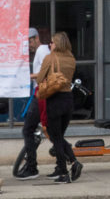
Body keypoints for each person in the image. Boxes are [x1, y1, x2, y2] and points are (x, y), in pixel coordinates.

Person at [33, 31, 81, 184]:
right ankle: (61, 168)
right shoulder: (71, 58)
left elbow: (40, 78)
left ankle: (68, 168)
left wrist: (41, 76)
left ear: (57, 44)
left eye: (52, 42)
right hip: (68, 98)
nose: (50, 45)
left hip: (55, 99)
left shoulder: (50, 57)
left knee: (56, 137)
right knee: (59, 136)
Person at [15, 27, 51, 179]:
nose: (28, 45)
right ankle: (67, 160)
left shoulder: (42, 51)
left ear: (36, 38)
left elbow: (46, 73)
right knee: (51, 132)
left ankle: (32, 167)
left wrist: (29, 75)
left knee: (28, 129)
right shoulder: (41, 52)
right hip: (39, 94)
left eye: (29, 41)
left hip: (41, 95)